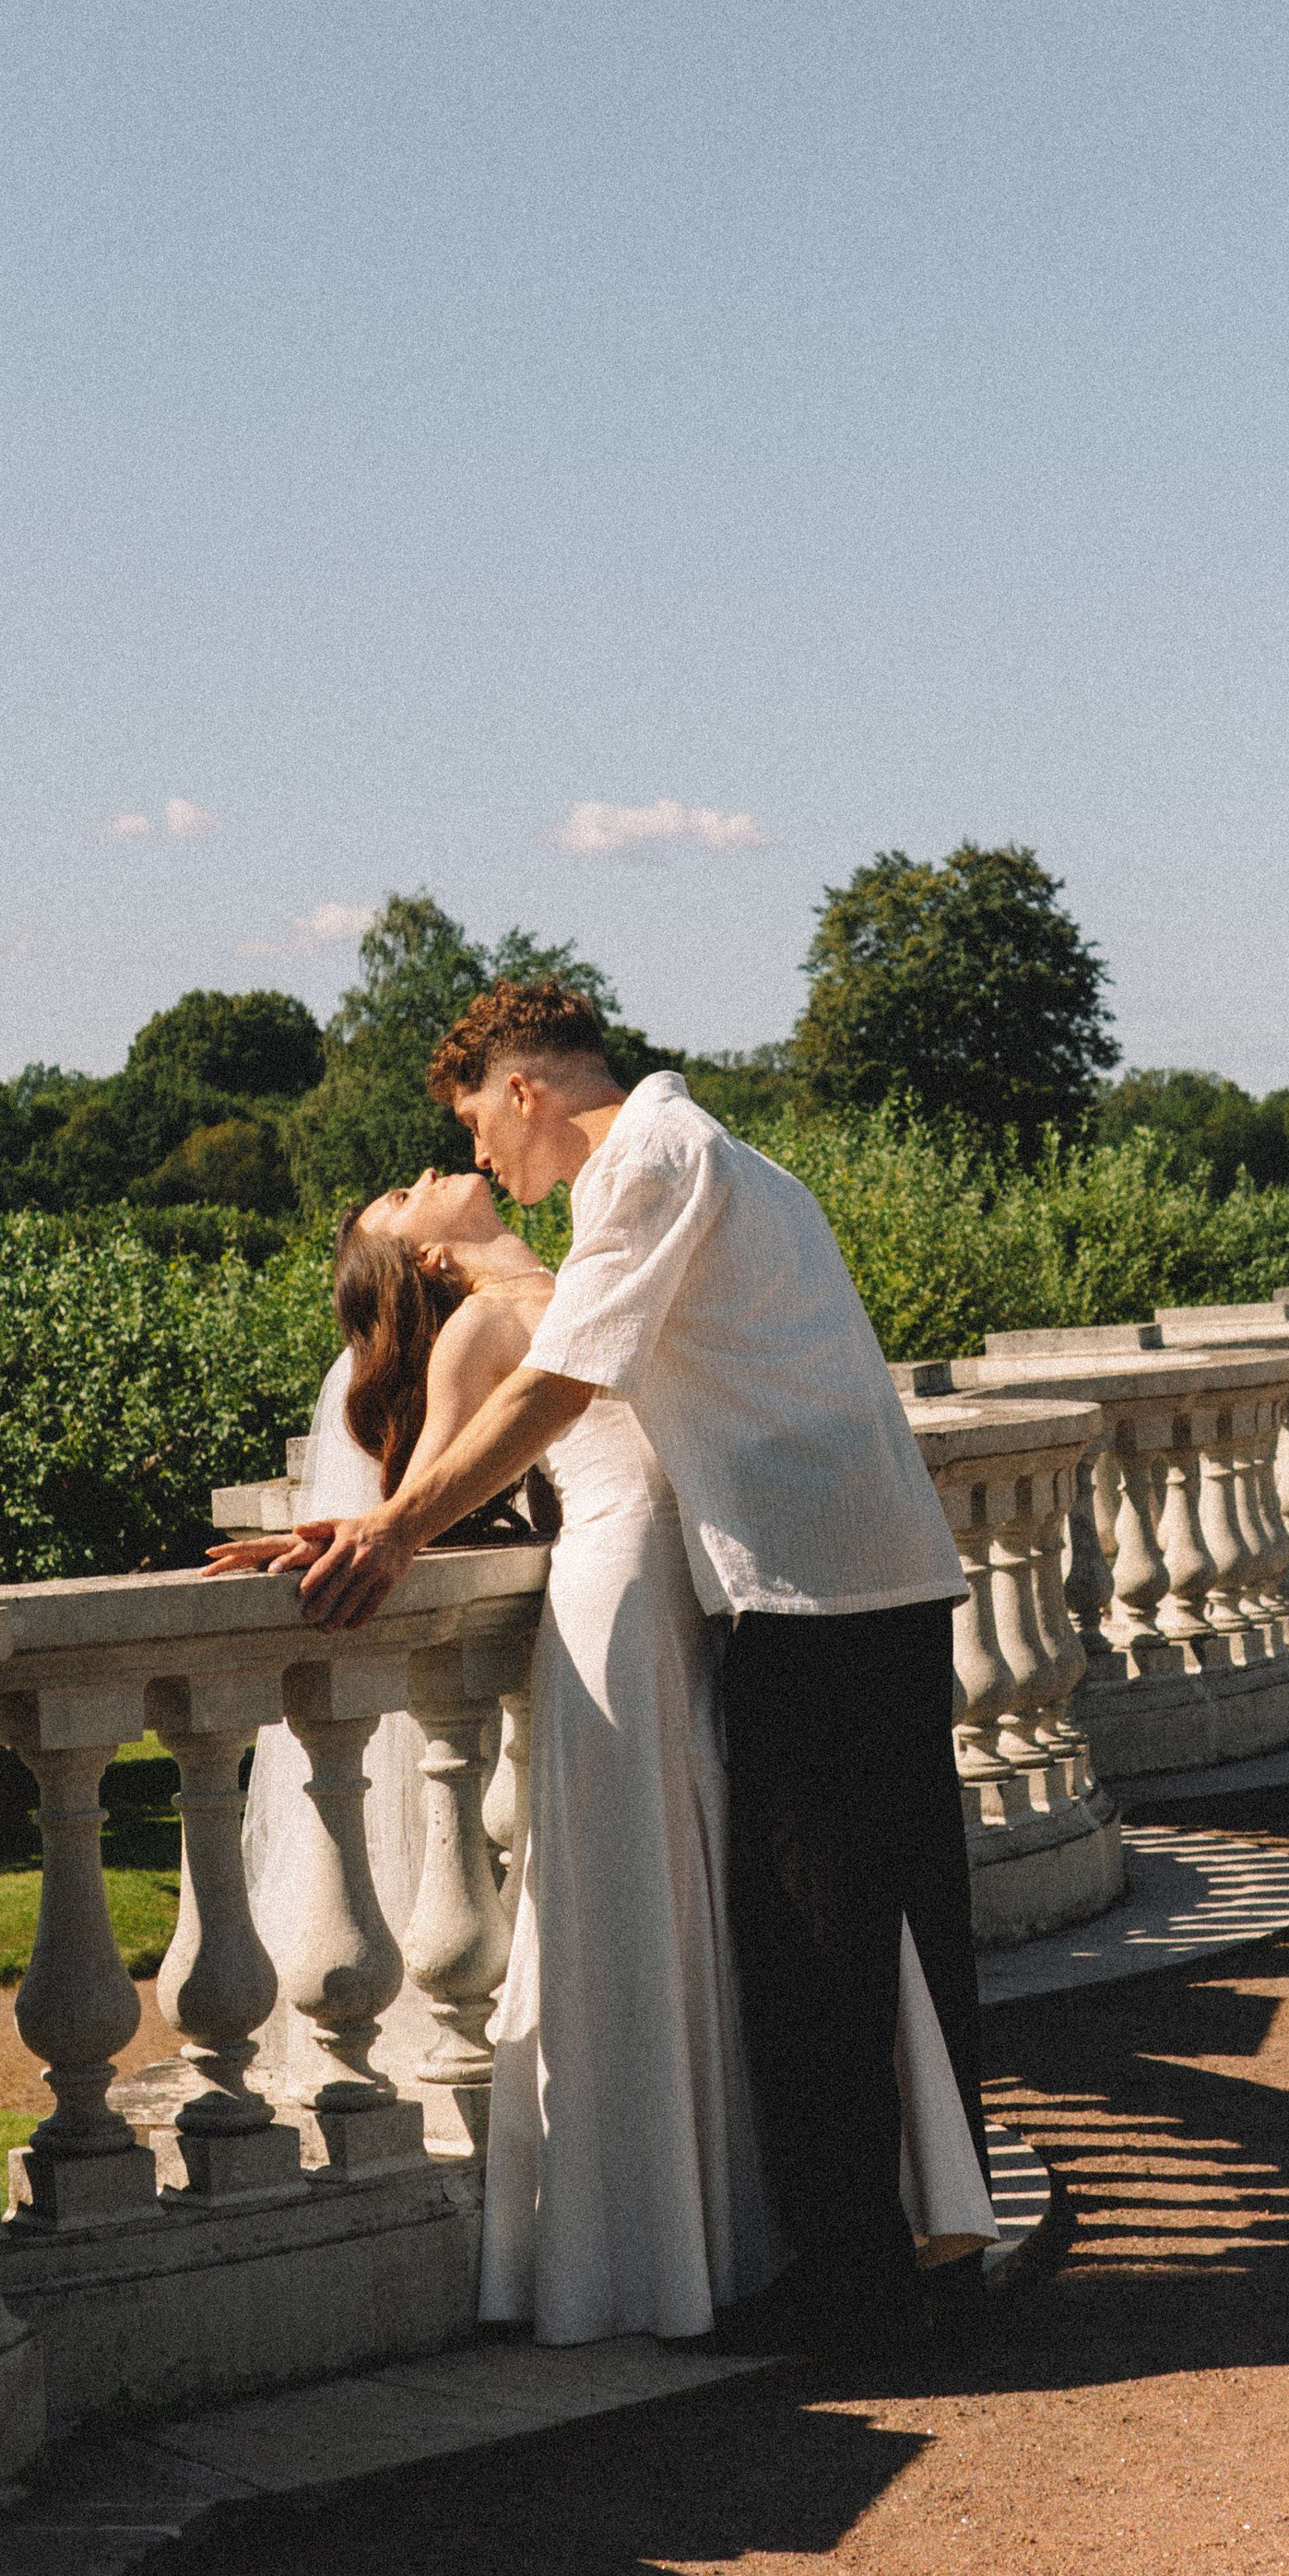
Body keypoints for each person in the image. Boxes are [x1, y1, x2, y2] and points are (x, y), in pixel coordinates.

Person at [284, 979, 990, 2352]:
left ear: (525, 1089)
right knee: (879, 1938)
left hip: (816, 1590)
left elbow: (565, 1378)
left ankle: (859, 2292)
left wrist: (395, 1528)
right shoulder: (700, 1151)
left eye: (477, 1122)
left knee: (820, 1953)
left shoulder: (652, 1162)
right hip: (861, 1575)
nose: (480, 1153)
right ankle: (913, 2252)